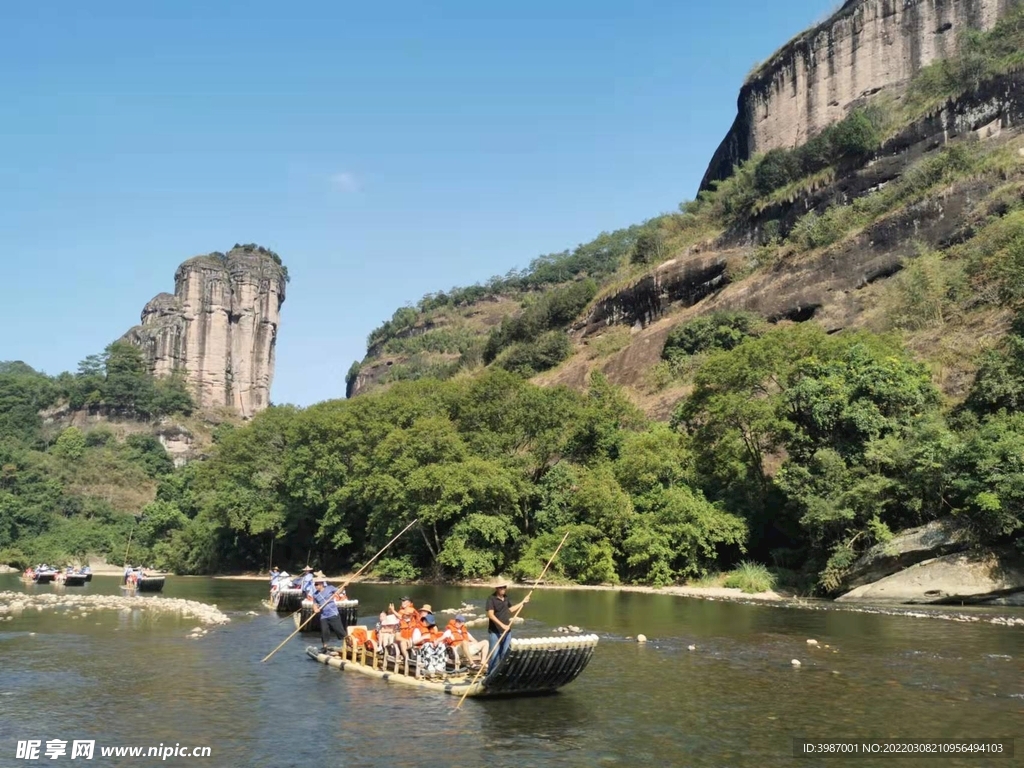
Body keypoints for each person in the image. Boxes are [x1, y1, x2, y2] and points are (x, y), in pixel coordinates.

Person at [486, 580, 528, 666]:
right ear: (497, 588)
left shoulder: (506, 597)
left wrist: (522, 602)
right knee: (494, 654)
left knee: (505, 653)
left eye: (504, 587)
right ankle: (491, 674)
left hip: (507, 631)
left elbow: (511, 609)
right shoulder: (491, 599)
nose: (503, 589)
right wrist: (502, 625)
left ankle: (501, 673)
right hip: (495, 631)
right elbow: (490, 615)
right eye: (501, 587)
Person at [310, 578, 347, 653]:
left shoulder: (329, 588)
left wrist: (344, 586)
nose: (315, 586)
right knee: (324, 631)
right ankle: (325, 647)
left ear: (321, 584)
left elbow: (338, 591)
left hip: (333, 613)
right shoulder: (315, 594)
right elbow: (314, 604)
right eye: (315, 584)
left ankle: (347, 645)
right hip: (324, 616)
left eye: (316, 584)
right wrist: (315, 609)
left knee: (340, 631)